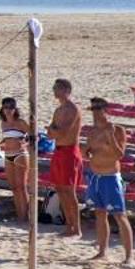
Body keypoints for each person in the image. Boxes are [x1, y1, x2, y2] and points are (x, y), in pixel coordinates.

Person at [85, 98, 134, 266]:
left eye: (98, 109)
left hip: (110, 176)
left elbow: (119, 154)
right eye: (93, 109)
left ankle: (129, 256)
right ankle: (102, 251)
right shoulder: (92, 132)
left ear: (106, 110)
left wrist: (110, 137)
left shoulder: (117, 130)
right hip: (95, 176)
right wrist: (87, 149)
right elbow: (86, 152)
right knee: (100, 213)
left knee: (120, 215)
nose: (96, 112)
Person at [45, 78, 84, 241]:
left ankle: (77, 228)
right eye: (54, 87)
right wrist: (53, 130)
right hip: (59, 150)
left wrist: (53, 130)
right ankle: (69, 225)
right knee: (60, 189)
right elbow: (50, 133)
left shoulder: (72, 109)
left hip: (69, 151)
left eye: (57, 88)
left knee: (69, 191)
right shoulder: (58, 110)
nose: (54, 90)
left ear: (66, 89)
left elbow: (62, 132)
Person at [0, 97, 34, 221]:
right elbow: (7, 138)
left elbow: (34, 136)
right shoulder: (3, 124)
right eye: (5, 107)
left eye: (10, 107)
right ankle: (20, 216)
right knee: (13, 187)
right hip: (8, 155)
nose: (8, 110)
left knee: (21, 187)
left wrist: (25, 143)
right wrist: (1, 144)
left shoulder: (20, 123)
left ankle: (26, 217)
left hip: (20, 154)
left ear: (15, 109)